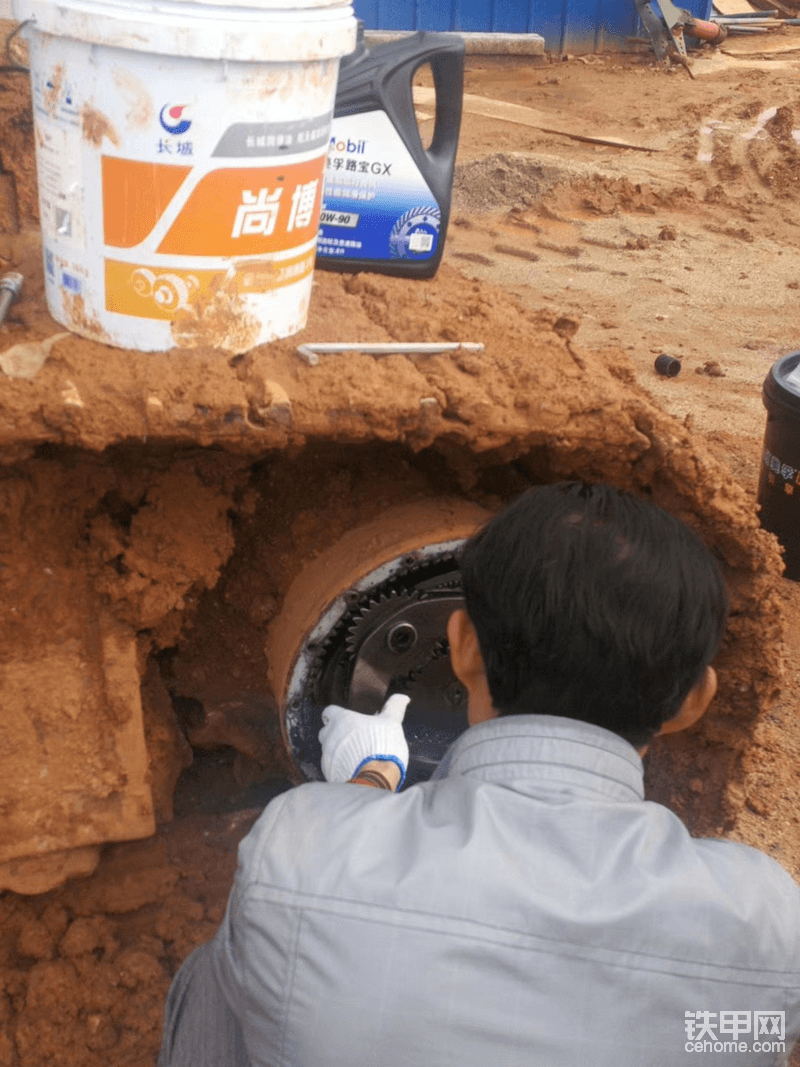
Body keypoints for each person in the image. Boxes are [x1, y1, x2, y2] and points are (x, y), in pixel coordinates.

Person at [158, 482, 800, 1067]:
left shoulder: (298, 853)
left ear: (463, 646)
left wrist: (372, 775)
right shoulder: (765, 918)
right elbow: (738, 1035)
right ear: (695, 700)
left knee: (219, 973)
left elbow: (311, 864)